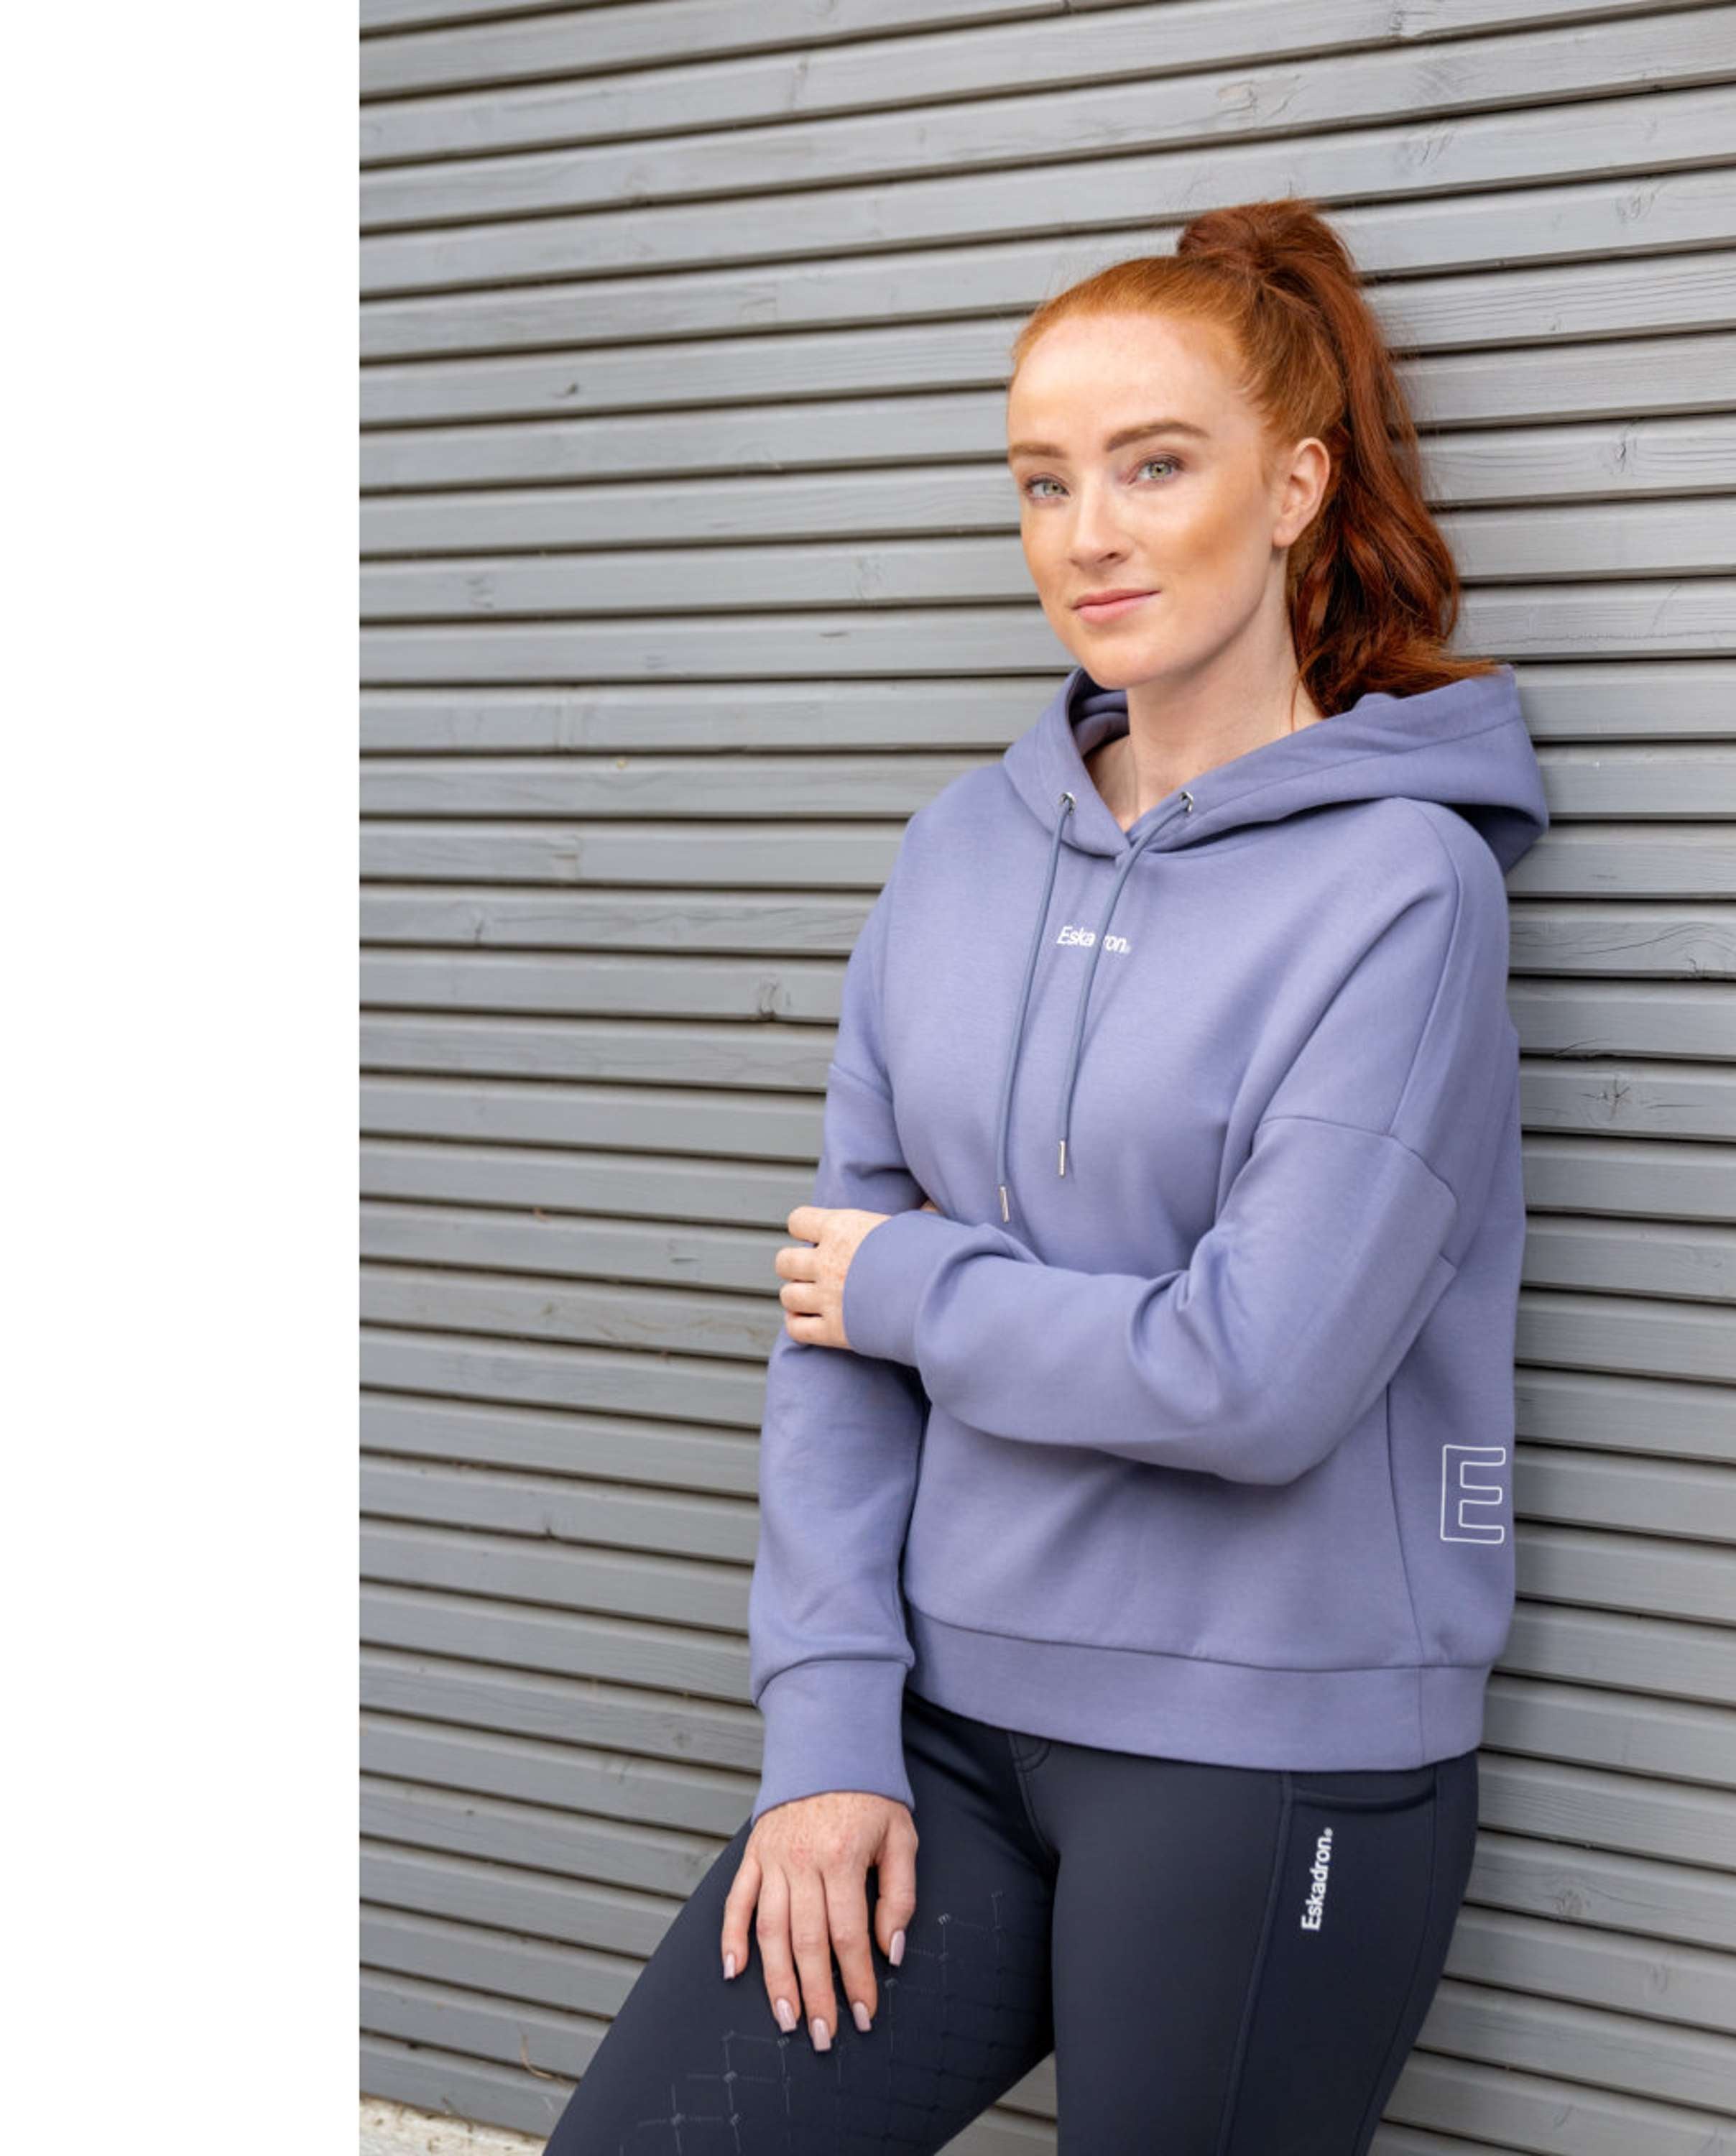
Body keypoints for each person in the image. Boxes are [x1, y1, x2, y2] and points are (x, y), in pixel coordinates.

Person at [542, 195, 1550, 2156]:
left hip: (1264, 1747)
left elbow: (1254, 1377)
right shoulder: (955, 857)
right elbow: (824, 1328)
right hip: (936, 1728)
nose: (1089, 532)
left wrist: (917, 1287)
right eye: (1043, 480)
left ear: (1294, 488)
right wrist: (826, 1725)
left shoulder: (1402, 891)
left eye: (1154, 466)